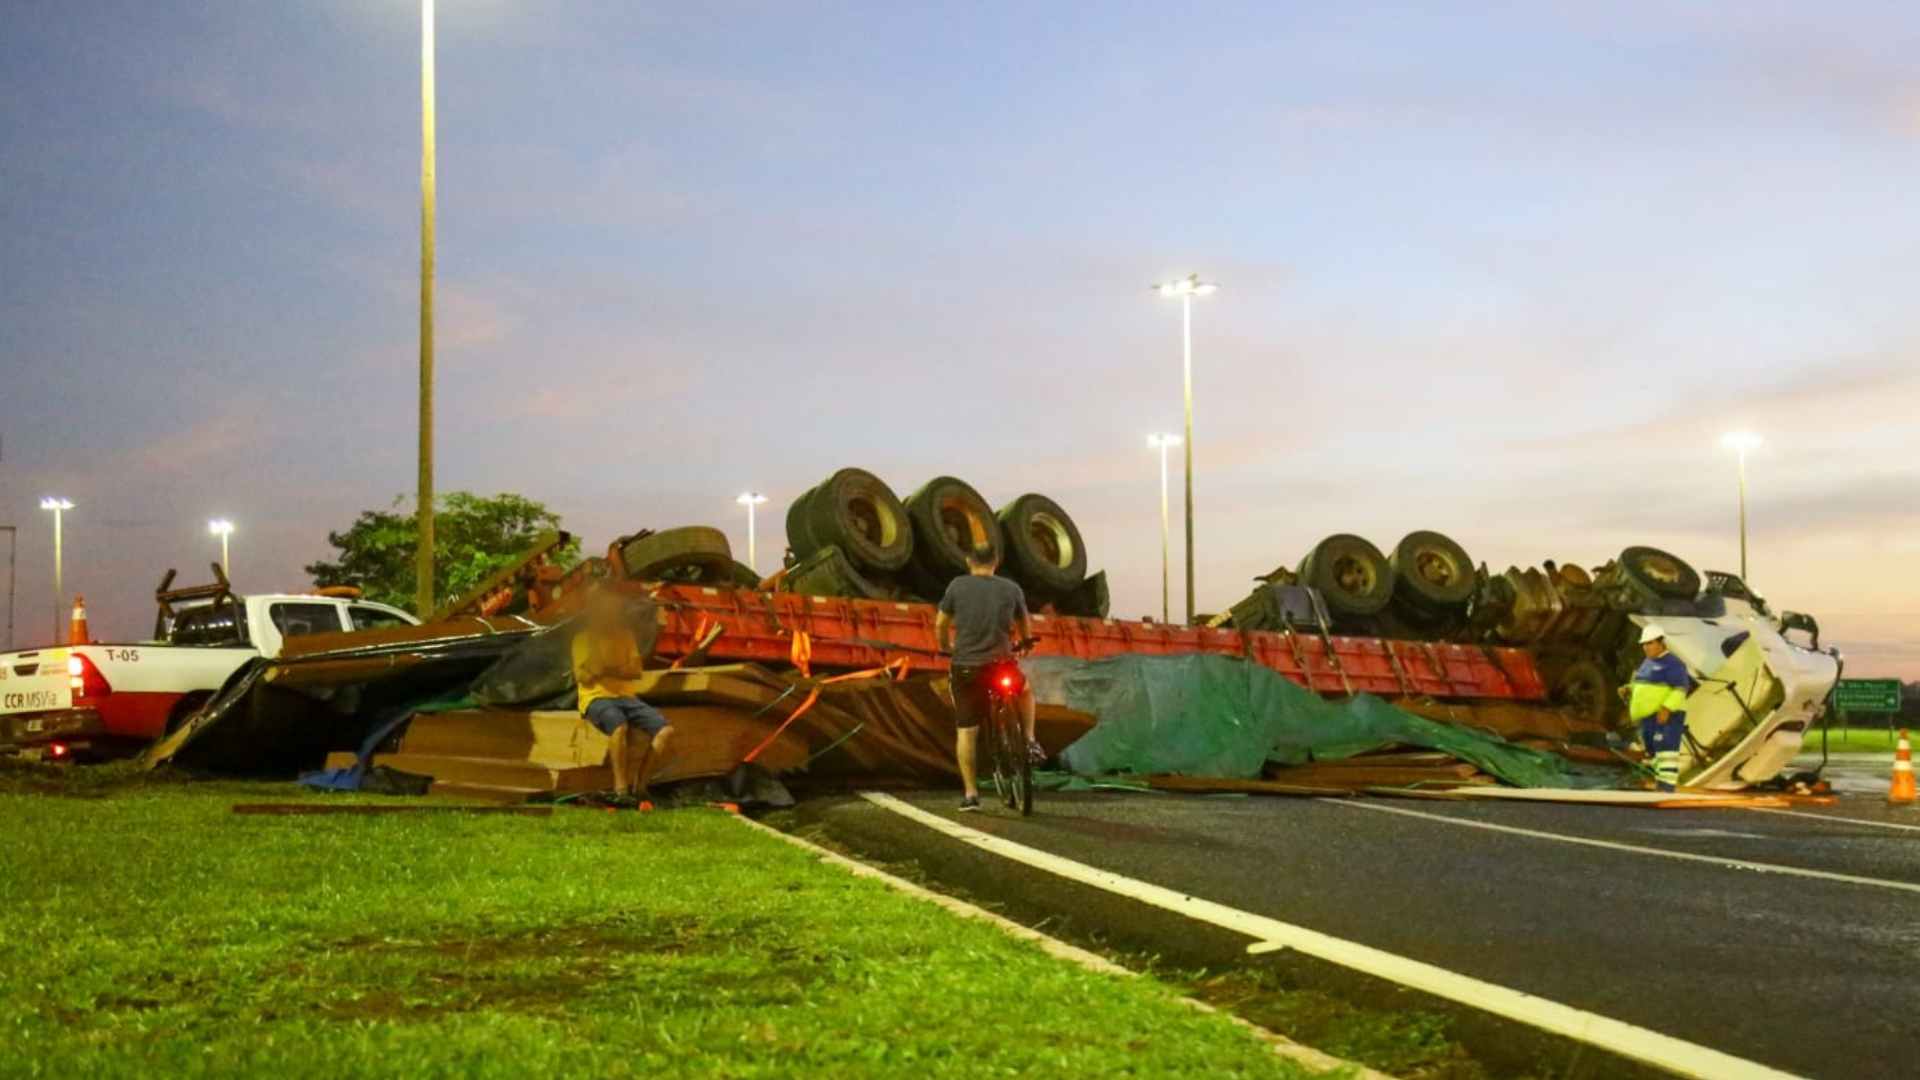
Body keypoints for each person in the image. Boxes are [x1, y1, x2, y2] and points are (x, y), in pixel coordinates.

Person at [934, 545, 1040, 812]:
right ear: (996, 562)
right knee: (1025, 690)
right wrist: (1025, 642)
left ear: (969, 561)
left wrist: (945, 646)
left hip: (967, 668)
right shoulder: (1011, 588)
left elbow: (941, 624)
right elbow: (1024, 621)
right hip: (1001, 665)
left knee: (967, 731)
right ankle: (1028, 740)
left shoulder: (957, 586)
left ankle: (971, 795)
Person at [572, 588, 673, 803]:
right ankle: (621, 790)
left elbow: (635, 671)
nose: (612, 615)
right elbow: (583, 676)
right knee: (619, 727)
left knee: (665, 730)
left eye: (615, 610)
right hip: (596, 698)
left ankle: (641, 787)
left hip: (627, 698)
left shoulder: (625, 636)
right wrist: (613, 668)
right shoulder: (583, 639)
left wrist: (605, 669)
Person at [1622, 623, 1693, 792]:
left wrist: (1666, 708)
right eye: (1644, 644)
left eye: (1650, 643)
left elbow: (1680, 688)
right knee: (1652, 751)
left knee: (1666, 751)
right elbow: (1644, 684)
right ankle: (1657, 783)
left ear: (1661, 643)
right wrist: (1629, 689)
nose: (1646, 647)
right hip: (1649, 716)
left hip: (1666, 715)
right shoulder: (1648, 662)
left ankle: (1666, 788)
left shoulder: (1673, 664)